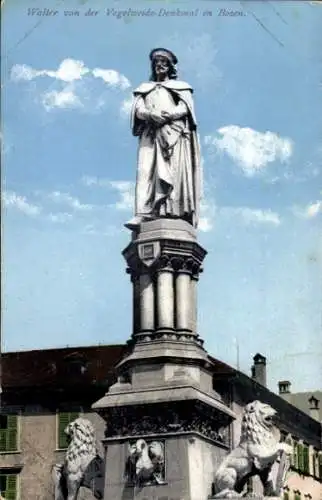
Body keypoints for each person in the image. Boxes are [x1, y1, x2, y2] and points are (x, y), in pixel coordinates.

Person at [125, 48, 202, 230]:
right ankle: (143, 213)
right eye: (156, 63)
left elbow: (186, 108)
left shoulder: (181, 87)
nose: (160, 65)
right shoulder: (145, 89)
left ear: (170, 67)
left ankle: (173, 211)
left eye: (164, 62)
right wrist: (150, 115)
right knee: (146, 172)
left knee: (172, 173)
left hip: (173, 134)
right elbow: (138, 109)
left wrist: (169, 116)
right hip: (150, 134)